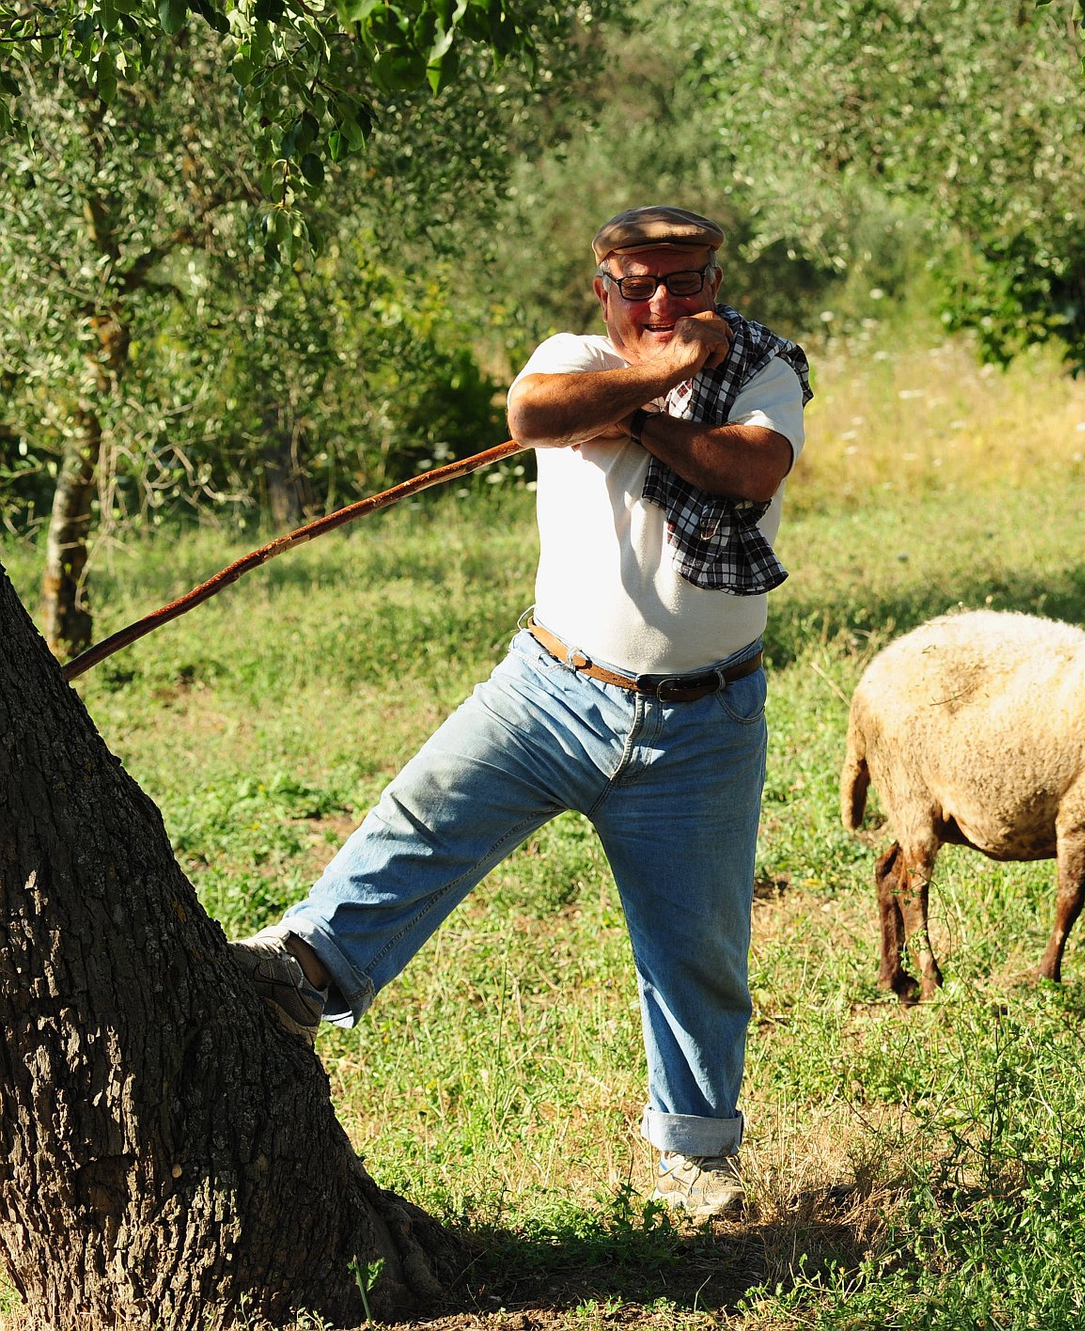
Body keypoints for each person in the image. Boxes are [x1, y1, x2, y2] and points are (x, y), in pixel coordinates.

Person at [227, 205, 809, 1222]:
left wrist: (634, 413)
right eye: (640, 285)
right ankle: (303, 970)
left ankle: (696, 1155)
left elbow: (748, 467)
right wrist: (661, 380)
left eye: (686, 281)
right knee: (421, 817)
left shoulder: (764, 367)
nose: (664, 300)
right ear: (604, 291)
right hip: (550, 687)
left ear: (719, 278)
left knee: (698, 950)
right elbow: (536, 414)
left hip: (703, 722)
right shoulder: (573, 354)